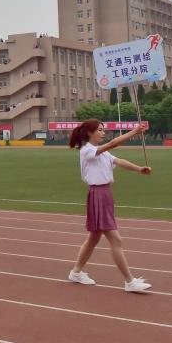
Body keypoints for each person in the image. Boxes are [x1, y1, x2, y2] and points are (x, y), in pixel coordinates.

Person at [67, 119, 152, 293]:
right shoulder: (87, 151)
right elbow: (113, 143)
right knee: (115, 239)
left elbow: (119, 161)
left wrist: (139, 169)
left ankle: (76, 272)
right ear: (89, 133)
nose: (103, 133)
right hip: (98, 194)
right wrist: (134, 132)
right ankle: (129, 281)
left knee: (94, 238)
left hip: (105, 194)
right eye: (99, 130)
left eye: (103, 129)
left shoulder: (102, 152)